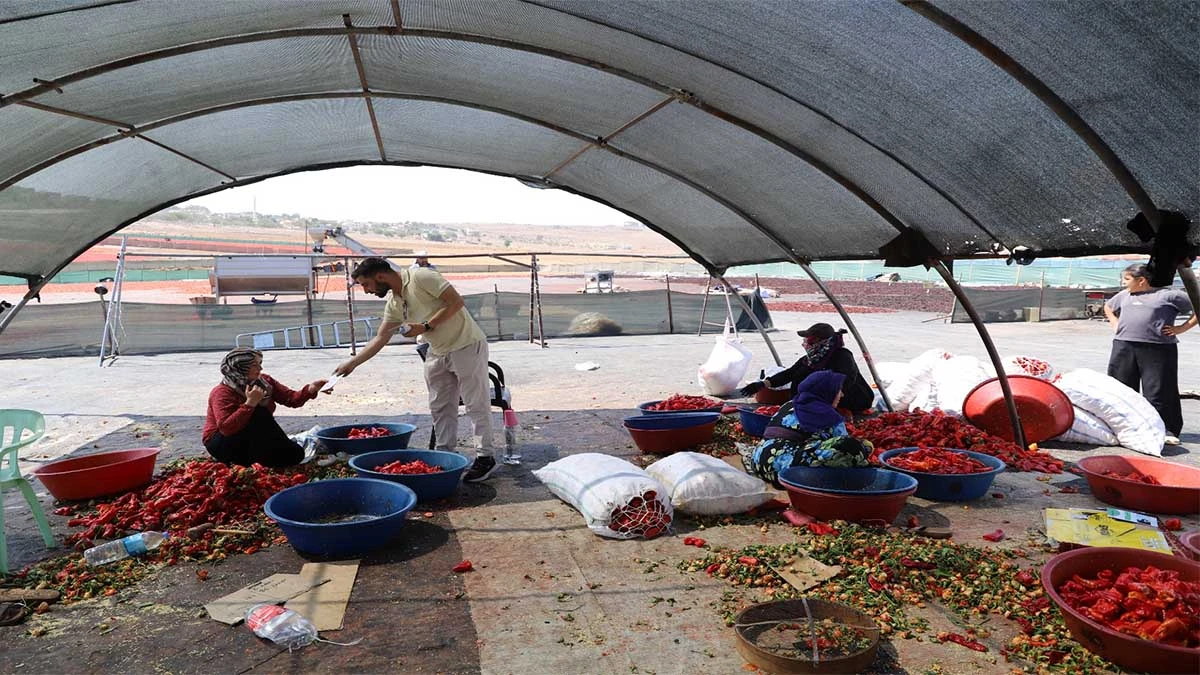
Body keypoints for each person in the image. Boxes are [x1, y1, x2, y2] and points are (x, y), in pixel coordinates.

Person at [334, 257, 498, 481]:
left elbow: (456, 302)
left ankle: (485, 457)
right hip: (437, 350)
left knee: (475, 403)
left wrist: (426, 326)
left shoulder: (421, 277)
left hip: (466, 344)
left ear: (380, 276)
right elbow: (381, 337)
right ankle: (445, 454)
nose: (366, 290)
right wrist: (351, 363)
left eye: (366, 284)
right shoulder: (394, 303)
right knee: (440, 406)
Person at [1104, 263, 1196, 446]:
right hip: (1124, 346)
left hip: (1158, 349)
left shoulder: (1169, 295)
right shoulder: (1124, 295)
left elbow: (1198, 308)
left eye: (1127, 279)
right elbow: (1108, 307)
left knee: (1159, 391)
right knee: (1121, 389)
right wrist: (1115, 323)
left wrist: (1181, 328)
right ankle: (1123, 428)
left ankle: (1166, 429)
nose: (1123, 282)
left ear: (1141, 280)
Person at [741, 371, 873, 487]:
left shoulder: (790, 404)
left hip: (760, 461)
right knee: (852, 447)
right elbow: (841, 444)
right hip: (785, 470)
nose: (842, 395)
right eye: (839, 390)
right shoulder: (828, 415)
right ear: (827, 392)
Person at [203, 347, 327, 468]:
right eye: (254, 365)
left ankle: (258, 458)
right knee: (258, 413)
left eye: (260, 363)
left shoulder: (264, 382)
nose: (260, 368)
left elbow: (291, 399)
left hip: (253, 438)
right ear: (242, 368)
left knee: (295, 455)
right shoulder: (222, 392)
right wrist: (250, 404)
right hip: (222, 441)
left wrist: (311, 389)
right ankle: (242, 459)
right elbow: (226, 428)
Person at [737, 322, 874, 412]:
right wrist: (762, 384)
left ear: (819, 341)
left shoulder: (842, 356)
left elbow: (845, 382)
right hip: (817, 405)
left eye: (808, 339)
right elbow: (789, 374)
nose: (804, 343)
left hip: (850, 403)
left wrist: (829, 407)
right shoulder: (811, 359)